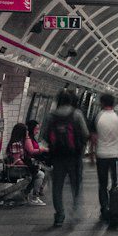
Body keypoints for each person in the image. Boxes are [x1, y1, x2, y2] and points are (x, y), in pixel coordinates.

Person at [41, 89, 89, 227]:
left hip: (57, 157)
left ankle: (59, 215)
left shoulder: (51, 116)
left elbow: (44, 135)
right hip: (74, 157)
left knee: (57, 187)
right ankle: (75, 212)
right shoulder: (77, 114)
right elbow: (85, 134)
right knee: (76, 185)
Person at [89, 93, 118, 221]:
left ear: (101, 103)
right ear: (113, 103)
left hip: (101, 156)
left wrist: (92, 155)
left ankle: (104, 210)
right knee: (116, 183)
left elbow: (93, 139)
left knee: (102, 184)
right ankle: (115, 208)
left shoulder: (97, 117)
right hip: (117, 156)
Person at [5, 123, 45, 205]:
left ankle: (25, 194)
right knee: (40, 174)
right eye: (26, 131)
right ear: (22, 132)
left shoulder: (18, 143)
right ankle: (34, 197)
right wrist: (29, 166)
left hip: (21, 167)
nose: (27, 132)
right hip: (17, 169)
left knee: (37, 173)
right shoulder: (16, 144)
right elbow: (17, 160)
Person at [24, 119, 49, 203]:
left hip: (33, 162)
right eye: (36, 129)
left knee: (44, 172)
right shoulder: (27, 139)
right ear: (31, 129)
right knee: (40, 174)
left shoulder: (31, 138)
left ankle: (28, 192)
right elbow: (31, 151)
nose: (37, 132)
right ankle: (35, 196)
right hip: (30, 163)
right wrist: (43, 150)